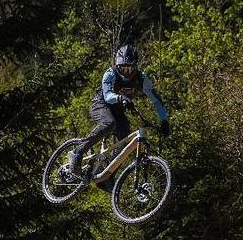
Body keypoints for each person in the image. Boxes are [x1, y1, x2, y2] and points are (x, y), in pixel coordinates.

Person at [69, 44, 169, 178]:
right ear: (117, 65)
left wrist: (164, 120)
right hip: (101, 104)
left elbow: (156, 100)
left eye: (129, 68)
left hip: (118, 110)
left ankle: (107, 175)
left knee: (125, 140)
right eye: (122, 68)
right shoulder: (110, 74)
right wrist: (121, 98)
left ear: (135, 66)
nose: (126, 72)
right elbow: (108, 96)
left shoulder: (142, 78)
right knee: (109, 123)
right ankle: (78, 152)